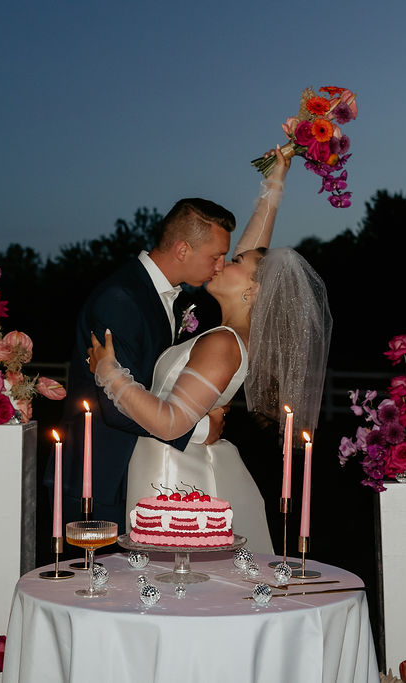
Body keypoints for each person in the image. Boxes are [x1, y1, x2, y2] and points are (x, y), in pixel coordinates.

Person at [89, 149, 333, 553]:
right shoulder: (228, 329)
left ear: (253, 291)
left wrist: (108, 371)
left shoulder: (222, 342)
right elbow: (257, 255)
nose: (221, 264)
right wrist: (274, 184)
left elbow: (169, 423)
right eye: (220, 257)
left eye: (231, 260)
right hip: (173, 463)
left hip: (174, 474)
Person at [60, 194, 237, 532]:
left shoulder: (162, 294)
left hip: (136, 471)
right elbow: (114, 406)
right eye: (216, 256)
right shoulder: (121, 299)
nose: (221, 267)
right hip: (100, 478)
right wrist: (200, 428)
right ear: (183, 250)